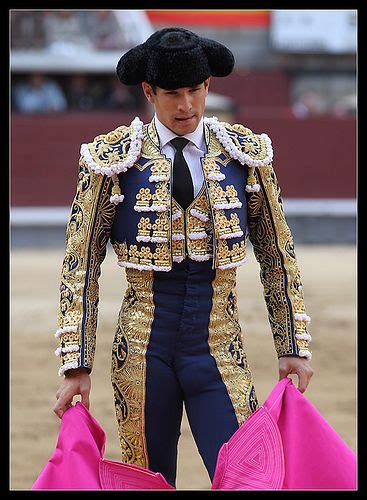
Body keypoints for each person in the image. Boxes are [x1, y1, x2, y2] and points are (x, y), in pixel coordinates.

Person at [53, 27, 313, 488]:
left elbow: (277, 254)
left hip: (218, 345)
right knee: (149, 482)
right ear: (149, 92)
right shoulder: (111, 160)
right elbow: (81, 267)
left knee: (248, 480)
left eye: (196, 90)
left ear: (209, 85)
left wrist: (292, 345)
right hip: (142, 351)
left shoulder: (245, 154)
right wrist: (76, 365)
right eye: (173, 94)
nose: (187, 106)